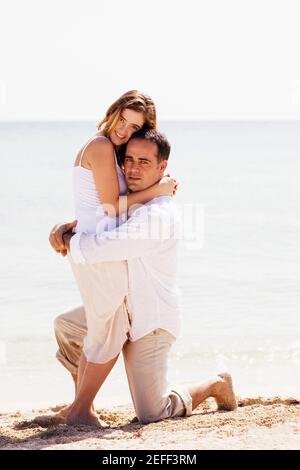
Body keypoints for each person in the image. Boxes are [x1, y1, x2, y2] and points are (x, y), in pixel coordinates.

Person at [50, 129, 238, 427]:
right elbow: (97, 222)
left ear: (163, 169)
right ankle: (81, 406)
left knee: (152, 413)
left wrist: (65, 239)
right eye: (129, 160)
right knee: (68, 327)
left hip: (150, 321)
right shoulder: (131, 203)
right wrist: (66, 227)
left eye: (144, 162)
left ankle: (216, 383)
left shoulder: (157, 216)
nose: (134, 168)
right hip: (120, 309)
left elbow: (103, 247)